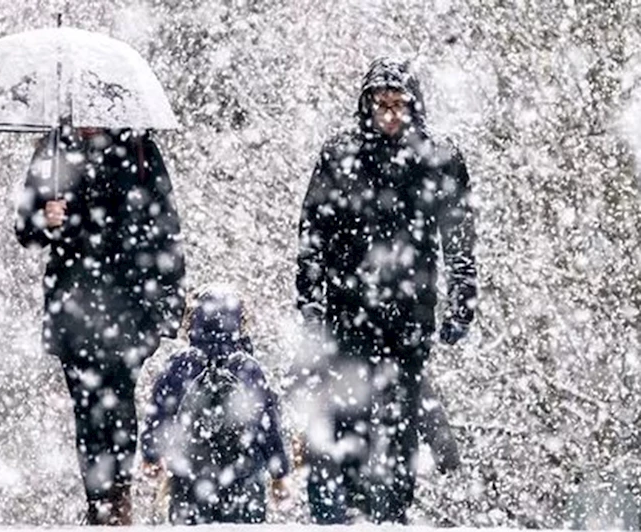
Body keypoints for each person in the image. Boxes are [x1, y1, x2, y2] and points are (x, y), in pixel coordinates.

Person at [294, 57, 477, 524]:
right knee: (349, 413)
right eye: (382, 104)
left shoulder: (438, 158)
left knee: (400, 417)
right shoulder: (340, 155)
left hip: (410, 311)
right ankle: (353, 506)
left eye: (399, 105)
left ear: (414, 107)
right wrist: (310, 299)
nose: (390, 114)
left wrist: (463, 296)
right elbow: (313, 232)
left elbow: (459, 236)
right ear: (367, 105)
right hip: (348, 307)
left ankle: (393, 513)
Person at [15, 126, 185, 525]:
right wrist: (44, 218)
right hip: (73, 309)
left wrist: (166, 308)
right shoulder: (54, 149)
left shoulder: (141, 150)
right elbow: (26, 230)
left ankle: (116, 500)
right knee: (88, 411)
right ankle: (100, 505)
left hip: (128, 308)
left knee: (119, 405)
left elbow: (166, 229)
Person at [140, 285, 290, 524]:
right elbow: (267, 425)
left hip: (189, 477)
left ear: (194, 320)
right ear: (239, 323)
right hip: (244, 480)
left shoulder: (179, 364)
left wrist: (151, 453)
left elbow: (160, 413)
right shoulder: (248, 367)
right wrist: (279, 473)